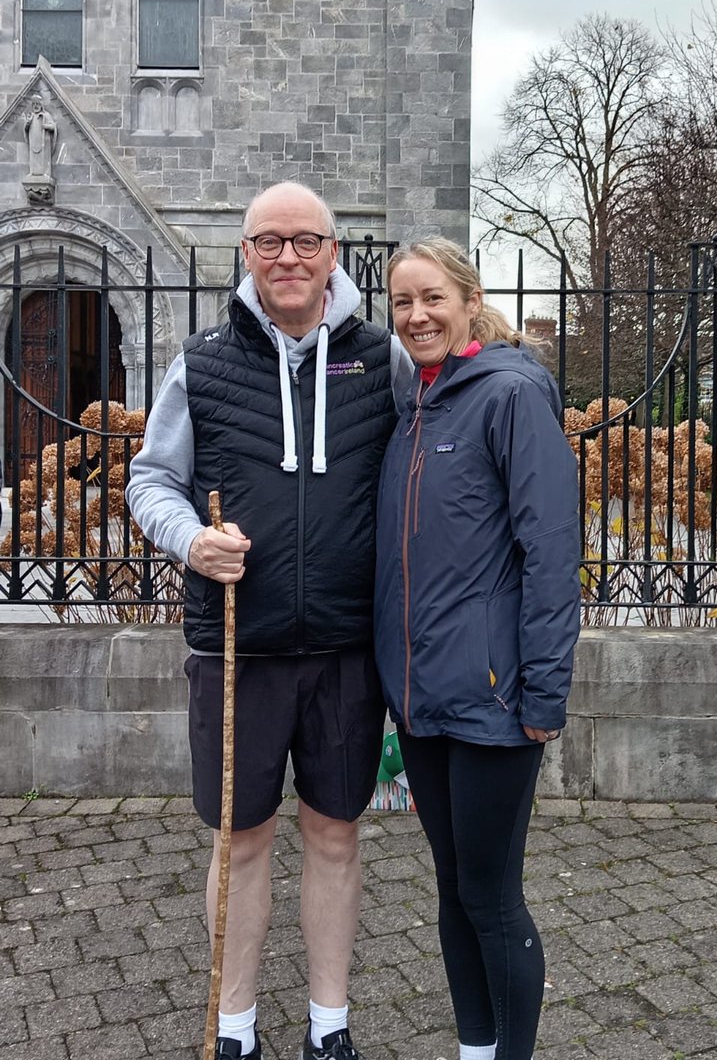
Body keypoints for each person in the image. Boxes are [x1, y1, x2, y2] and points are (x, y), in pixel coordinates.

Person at [126, 182, 413, 1060]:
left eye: (305, 241)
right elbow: (150, 480)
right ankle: (236, 1025)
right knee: (240, 839)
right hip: (234, 646)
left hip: (345, 651)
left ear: (334, 253)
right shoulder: (203, 362)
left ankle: (330, 1024)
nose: (287, 257)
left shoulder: (383, 357)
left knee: (335, 833)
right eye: (268, 242)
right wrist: (191, 541)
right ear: (245, 254)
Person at [373, 239, 582, 1060]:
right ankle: (474, 1048)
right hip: (422, 700)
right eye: (400, 303)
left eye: (431, 299)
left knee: (492, 896)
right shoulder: (418, 403)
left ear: (466, 300)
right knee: (454, 890)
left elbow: (551, 552)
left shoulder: (510, 395)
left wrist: (544, 695)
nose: (416, 316)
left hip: (496, 698)